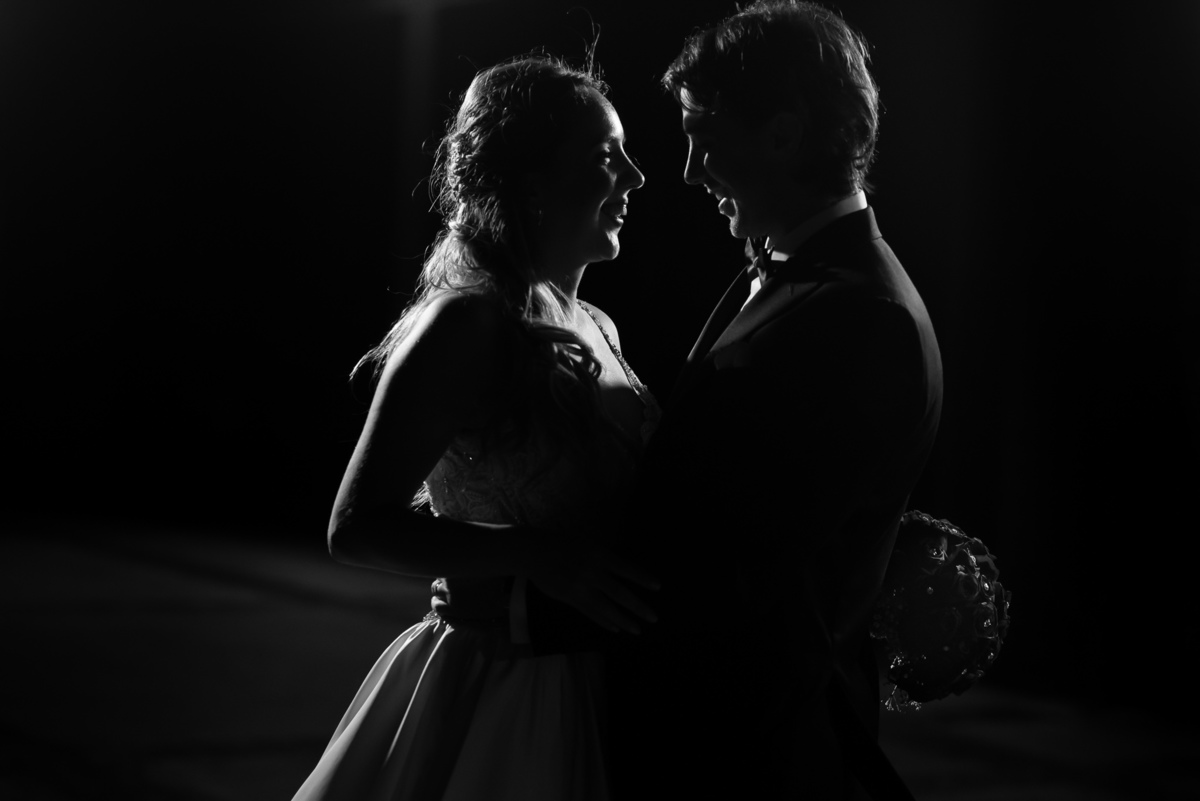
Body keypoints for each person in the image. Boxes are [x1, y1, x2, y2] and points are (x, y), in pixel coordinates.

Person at [436, 2, 943, 798]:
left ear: (783, 134)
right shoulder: (806, 281)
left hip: (743, 758)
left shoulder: (857, 317)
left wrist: (523, 606)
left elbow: (731, 582)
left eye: (704, 137)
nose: (689, 171)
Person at [292, 53, 655, 801]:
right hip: (503, 689)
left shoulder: (597, 323)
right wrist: (536, 556)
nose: (635, 176)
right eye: (604, 156)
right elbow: (355, 527)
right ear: (533, 183)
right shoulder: (468, 323)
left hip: (605, 680)